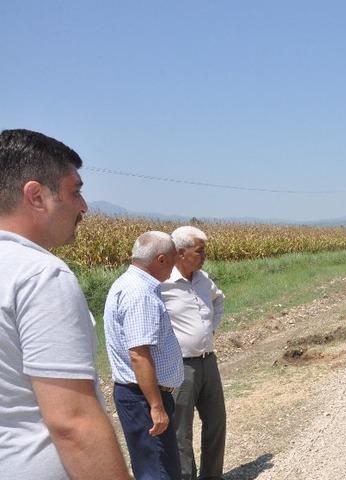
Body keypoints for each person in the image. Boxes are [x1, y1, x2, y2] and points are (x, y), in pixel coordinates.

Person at [0, 129, 130, 479]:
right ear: (36, 196)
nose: (84, 206)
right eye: (75, 191)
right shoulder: (39, 275)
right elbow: (72, 422)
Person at [104, 231, 184, 480]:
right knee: (158, 471)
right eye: (173, 259)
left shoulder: (131, 284)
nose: (174, 265)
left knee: (156, 467)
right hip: (144, 398)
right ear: (160, 259)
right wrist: (156, 406)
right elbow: (139, 354)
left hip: (142, 396)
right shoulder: (140, 293)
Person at [161, 226, 227, 480]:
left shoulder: (203, 279)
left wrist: (209, 330)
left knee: (216, 422)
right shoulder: (163, 283)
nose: (204, 256)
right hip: (180, 366)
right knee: (180, 431)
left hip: (208, 361)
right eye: (200, 251)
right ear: (180, 253)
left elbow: (218, 299)